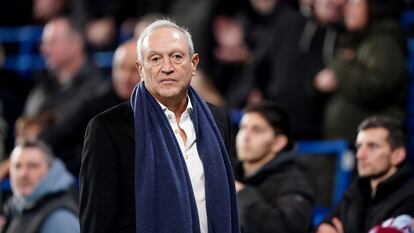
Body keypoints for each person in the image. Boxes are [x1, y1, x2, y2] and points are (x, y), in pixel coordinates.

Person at [80, 19, 240, 233]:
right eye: (155, 59)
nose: (167, 68)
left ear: (194, 64)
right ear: (141, 68)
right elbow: (96, 224)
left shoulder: (218, 121)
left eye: (176, 57)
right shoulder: (107, 130)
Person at [314, 0, 408, 142]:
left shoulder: (384, 42)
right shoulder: (357, 41)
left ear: (373, 7)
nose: (348, 10)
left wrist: (342, 66)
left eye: (355, 4)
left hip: (374, 144)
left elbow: (377, 86)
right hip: (348, 145)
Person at [316, 116, 414, 233]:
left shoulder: (410, 198)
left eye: (372, 146)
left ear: (397, 155)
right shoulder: (355, 193)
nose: (360, 155)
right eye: (359, 146)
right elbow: (324, 228)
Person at [235, 102, 314, 233]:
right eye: (242, 128)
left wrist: (243, 194)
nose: (245, 137)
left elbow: (285, 228)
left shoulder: (295, 182)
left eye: (256, 130)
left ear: (278, 143)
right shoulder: (227, 171)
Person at [0, 140, 79, 233]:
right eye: (17, 166)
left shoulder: (60, 220)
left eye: (33, 166)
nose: (23, 174)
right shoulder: (15, 208)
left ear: (50, 170)